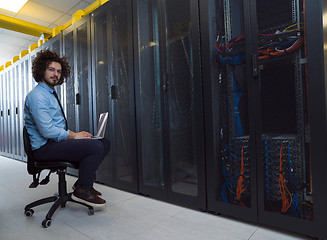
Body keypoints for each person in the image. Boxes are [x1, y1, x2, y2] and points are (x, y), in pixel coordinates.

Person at [24, 50, 110, 208]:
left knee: (104, 142)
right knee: (95, 146)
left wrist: (77, 135)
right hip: (44, 148)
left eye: (58, 71)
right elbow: (47, 131)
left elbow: (56, 128)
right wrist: (75, 136)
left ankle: (83, 183)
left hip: (53, 143)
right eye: (51, 70)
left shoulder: (49, 93)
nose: (56, 74)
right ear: (42, 70)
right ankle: (82, 191)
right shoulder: (38, 96)